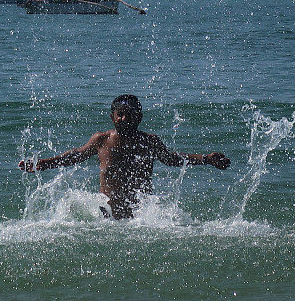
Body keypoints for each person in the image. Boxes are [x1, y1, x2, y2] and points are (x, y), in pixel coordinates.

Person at [19, 94, 231, 219]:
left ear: (139, 117)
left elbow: (172, 160)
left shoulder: (149, 141)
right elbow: (75, 156)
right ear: (112, 116)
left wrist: (206, 159)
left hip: (140, 216)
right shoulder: (102, 140)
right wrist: (43, 164)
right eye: (119, 114)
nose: (123, 118)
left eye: (129, 114)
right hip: (106, 214)